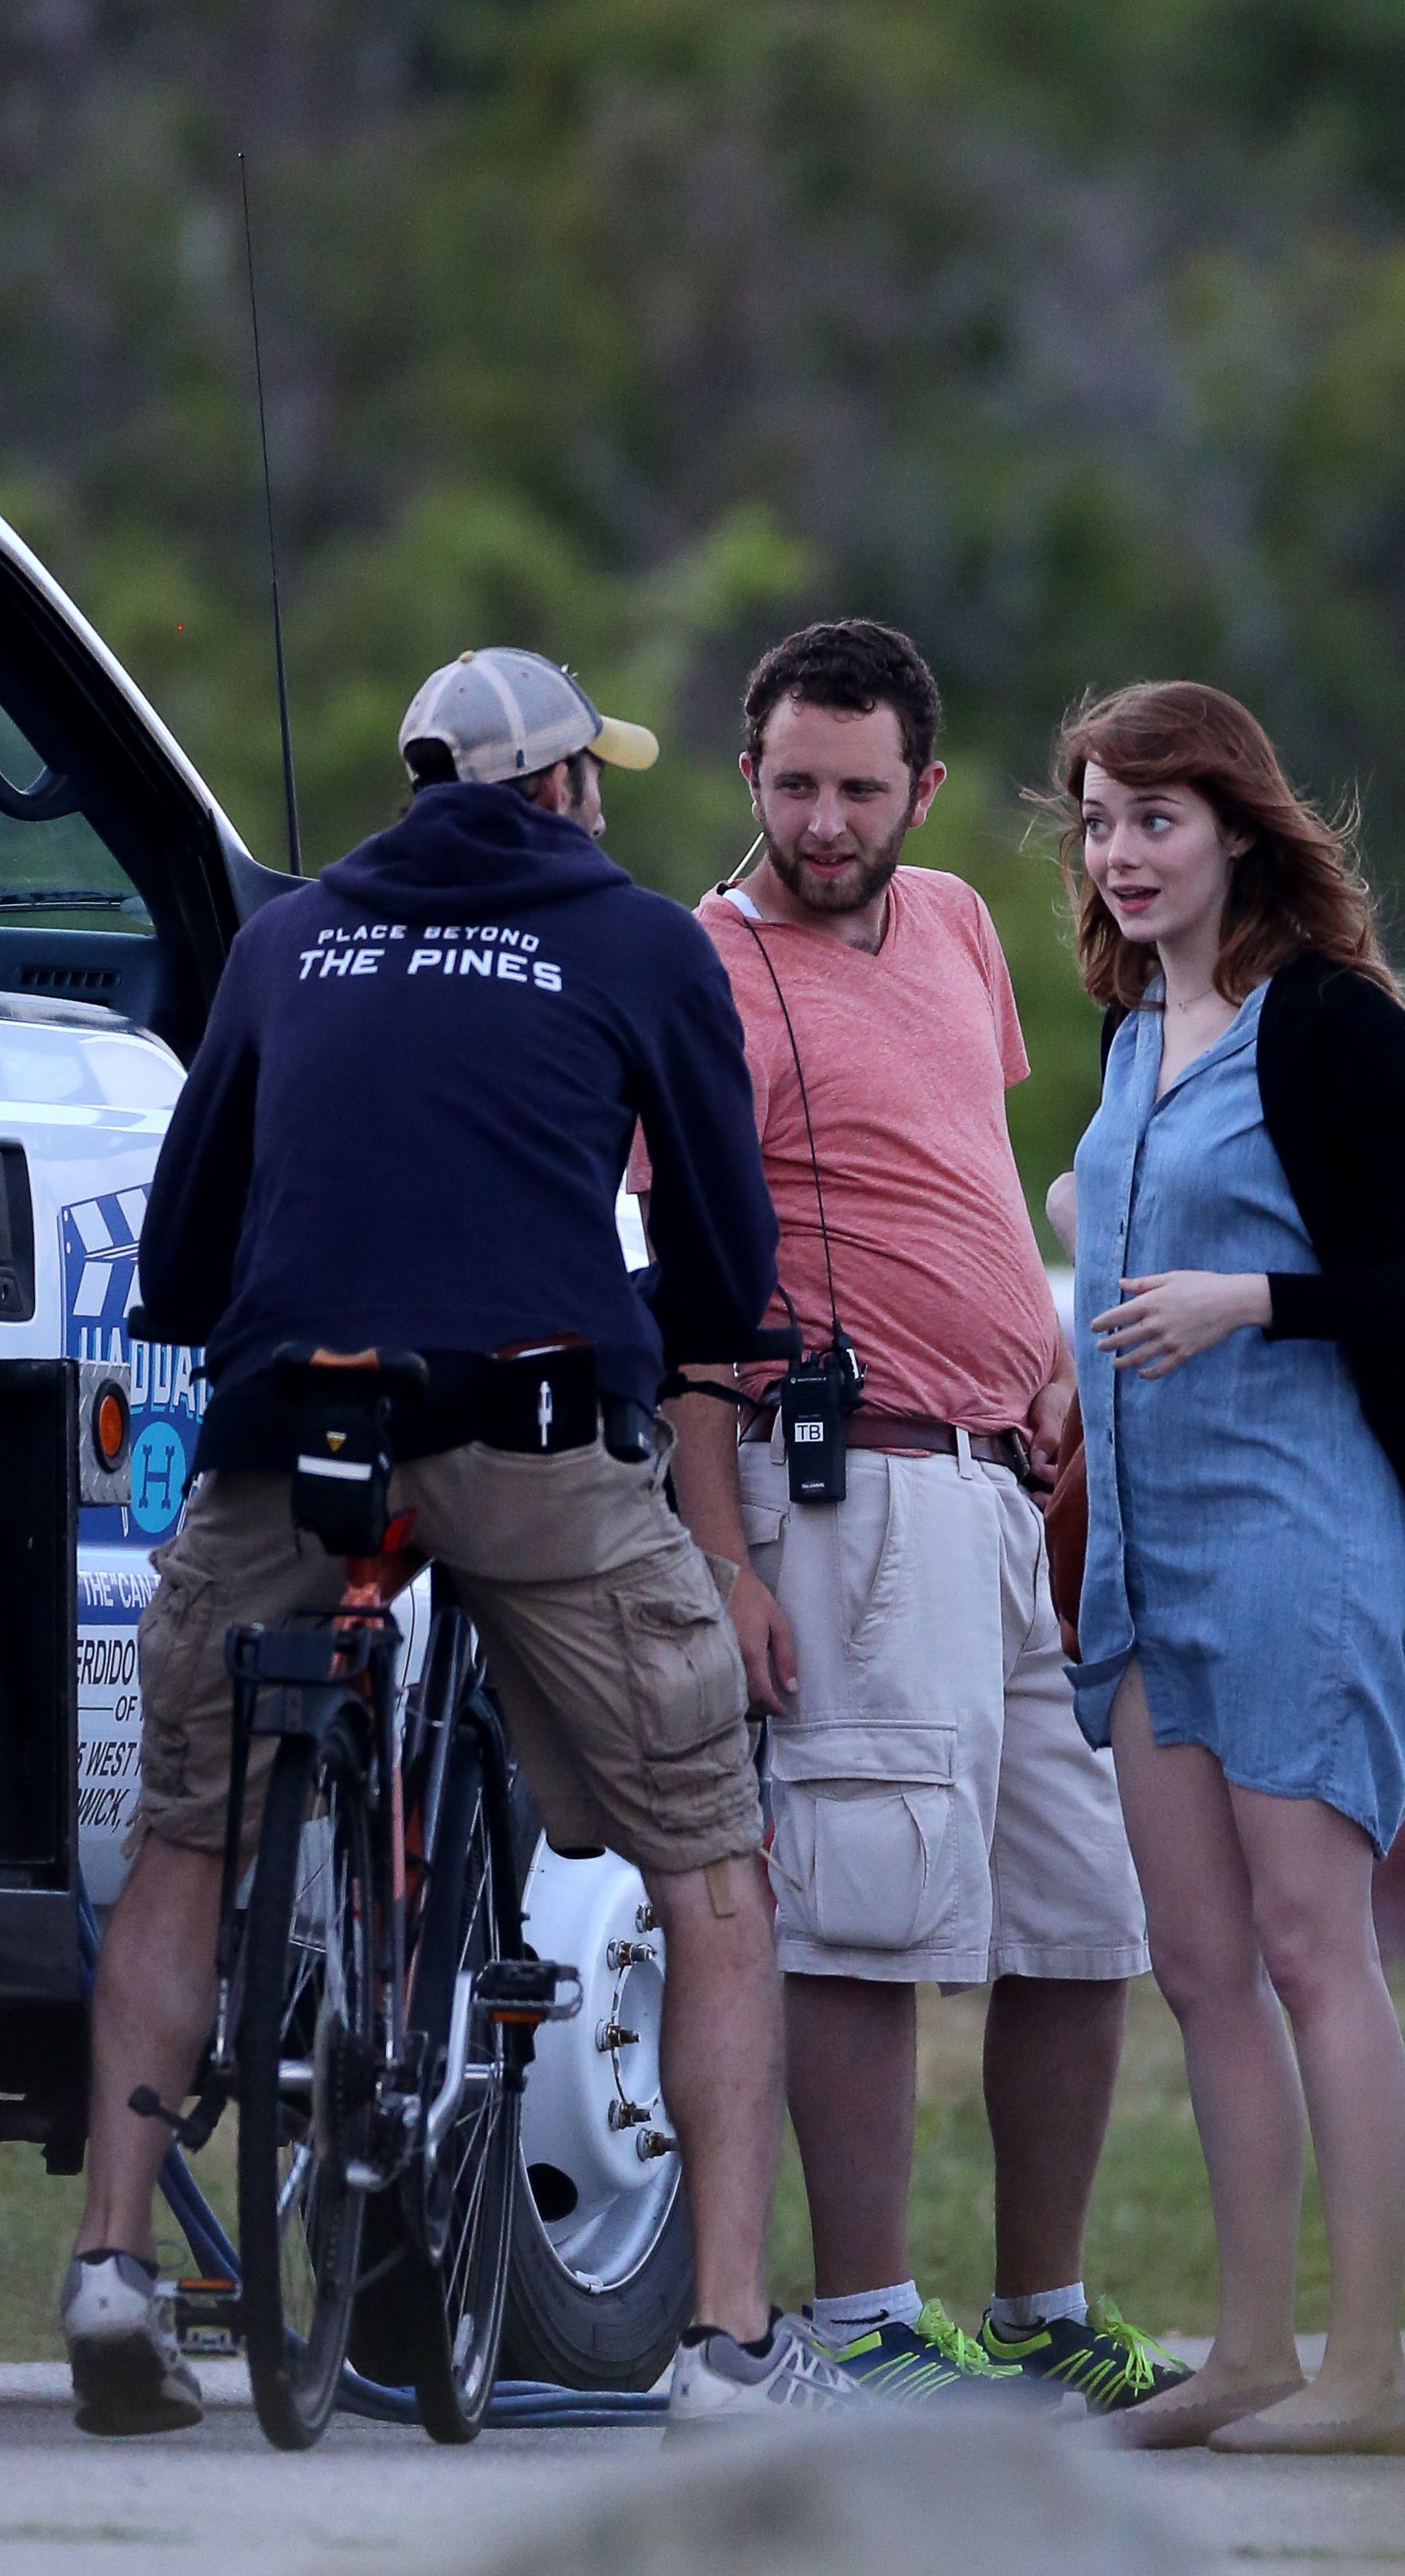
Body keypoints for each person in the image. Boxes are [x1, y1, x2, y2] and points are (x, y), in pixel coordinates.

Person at [62, 647, 858, 2436]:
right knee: (712, 1864)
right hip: (533, 1429)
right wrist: (704, 1324)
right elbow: (724, 1264)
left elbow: (180, 1268)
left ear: (423, 784)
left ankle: (115, 2261)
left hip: (295, 1426)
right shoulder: (645, 941)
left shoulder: (284, 945)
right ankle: (730, 2340)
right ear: (567, 788)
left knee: (191, 1831)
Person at [638, 619, 1187, 2415]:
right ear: (747, 777)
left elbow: (957, 1171)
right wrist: (721, 1554)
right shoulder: (704, 971)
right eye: (790, 784)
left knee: (1081, 1904)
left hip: (1010, 1484)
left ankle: (1041, 2303)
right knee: (862, 1897)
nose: (820, 821)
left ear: (920, 791)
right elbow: (692, 1290)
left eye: (856, 789)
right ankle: (864, 2310)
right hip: (846, 1484)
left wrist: (1045, 1362)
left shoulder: (952, 920)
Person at [1055, 681, 1405, 2456]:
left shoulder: (1328, 1025)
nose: (1119, 855)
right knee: (1193, 1961)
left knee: (1313, 1945)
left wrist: (1251, 1296)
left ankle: (1368, 2371)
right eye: (1098, 822)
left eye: (1154, 819)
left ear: (1235, 825)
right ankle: (1248, 2354)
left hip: (1296, 1540)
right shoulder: (1119, 1042)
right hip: (1141, 1563)